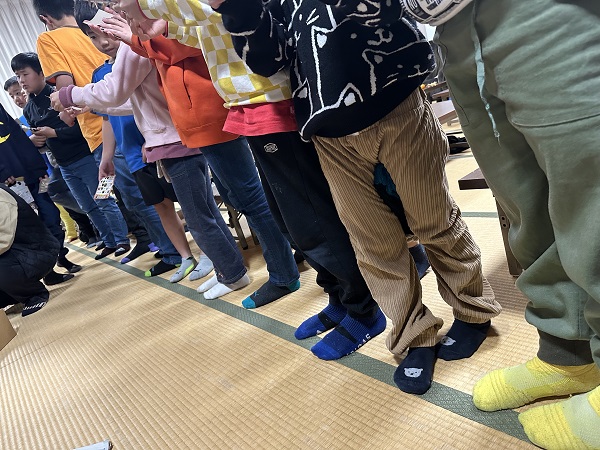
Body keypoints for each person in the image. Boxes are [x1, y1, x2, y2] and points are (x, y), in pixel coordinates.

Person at [115, 0, 502, 394]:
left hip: (393, 98)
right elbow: (267, 60)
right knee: (374, 243)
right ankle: (413, 335)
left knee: (432, 220)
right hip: (324, 124)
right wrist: (232, 6)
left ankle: (472, 311)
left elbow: (388, 12)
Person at [394, 1, 600, 447]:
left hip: (549, 12)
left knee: (592, 208)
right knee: (528, 215)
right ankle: (570, 357)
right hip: (451, 34)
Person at [11, 52, 129, 261]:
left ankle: (122, 239)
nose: (21, 81)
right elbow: (44, 140)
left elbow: (80, 129)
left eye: (25, 74)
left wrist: (53, 133)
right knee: (87, 205)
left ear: (41, 73)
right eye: (18, 76)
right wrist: (37, 140)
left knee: (103, 199)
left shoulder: (59, 95)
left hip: (86, 156)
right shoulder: (29, 109)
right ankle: (108, 240)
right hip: (63, 165)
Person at [0, 102, 75, 285]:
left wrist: (38, 167)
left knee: (51, 216)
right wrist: (2, 173)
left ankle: (58, 257)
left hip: (32, 175)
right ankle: (46, 272)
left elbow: (19, 139)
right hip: (10, 183)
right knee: (29, 229)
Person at [0, 184, 61, 316]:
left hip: (36, 251)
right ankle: (13, 296)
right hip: (18, 254)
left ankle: (34, 294)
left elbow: (3, 240)